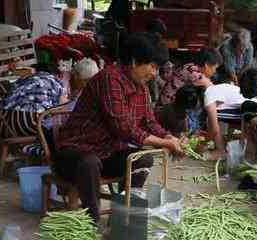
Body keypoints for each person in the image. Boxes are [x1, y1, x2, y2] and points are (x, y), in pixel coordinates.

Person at [55, 32, 183, 223]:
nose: (155, 73)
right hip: (75, 152)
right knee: (90, 163)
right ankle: (93, 221)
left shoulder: (141, 87)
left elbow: (149, 121)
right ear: (133, 61)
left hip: (107, 153)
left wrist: (169, 137)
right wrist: (163, 142)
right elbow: (123, 128)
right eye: (152, 66)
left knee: (143, 159)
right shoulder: (109, 79)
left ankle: (122, 212)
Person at [192, 62, 247, 158]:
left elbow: (214, 130)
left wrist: (202, 144)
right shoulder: (225, 87)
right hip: (250, 112)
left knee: (211, 118)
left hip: (248, 114)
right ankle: (223, 145)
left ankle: (220, 151)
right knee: (215, 115)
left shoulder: (209, 94)